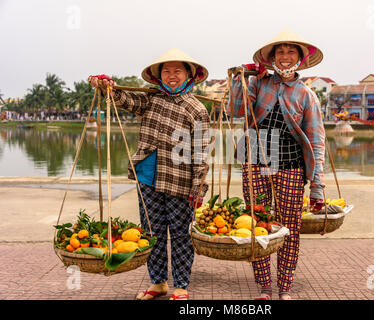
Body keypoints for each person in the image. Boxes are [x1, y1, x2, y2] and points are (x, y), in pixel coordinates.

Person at [88, 48, 210, 300]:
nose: (171, 75)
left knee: (179, 235)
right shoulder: (151, 99)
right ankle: (158, 283)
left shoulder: (196, 109)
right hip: (147, 176)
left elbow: (200, 154)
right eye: (166, 70)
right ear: (159, 75)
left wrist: (197, 188)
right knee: (150, 232)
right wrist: (107, 86)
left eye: (178, 70)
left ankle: (181, 285)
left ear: (189, 74)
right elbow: (125, 100)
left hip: (179, 181)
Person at [228, 30, 326, 300]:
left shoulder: (306, 95)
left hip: (292, 166)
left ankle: (284, 287)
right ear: (271, 58)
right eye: (279, 52)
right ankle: (263, 286)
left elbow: (317, 142)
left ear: (300, 58)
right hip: (255, 162)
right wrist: (243, 78)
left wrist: (317, 188)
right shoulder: (260, 84)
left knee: (289, 227)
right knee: (257, 223)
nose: (285, 57)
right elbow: (235, 111)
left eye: (290, 52)